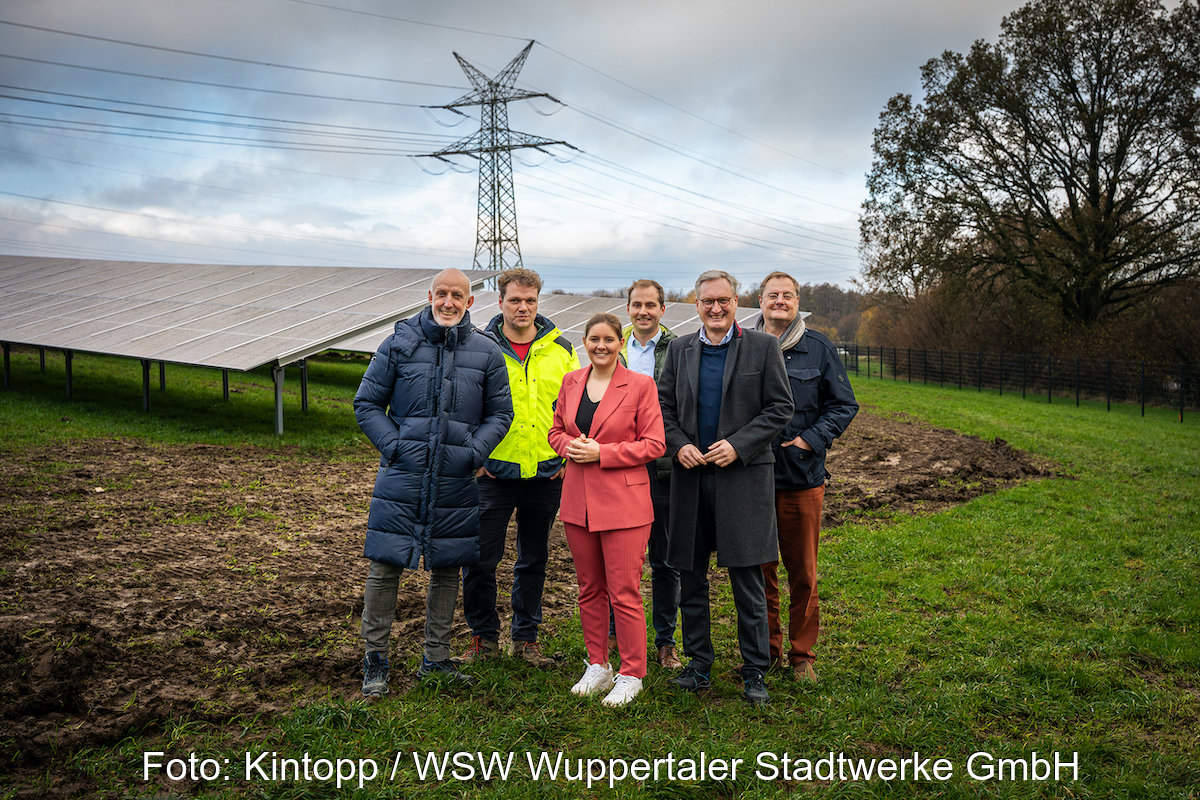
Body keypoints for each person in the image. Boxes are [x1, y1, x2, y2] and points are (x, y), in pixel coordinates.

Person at [354, 268, 513, 699]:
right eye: (441, 293)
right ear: (429, 296)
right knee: (385, 565)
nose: (449, 302)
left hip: (455, 476)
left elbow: (501, 413)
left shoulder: (486, 352)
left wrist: (474, 453)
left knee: (447, 566)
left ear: (470, 302)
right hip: (403, 474)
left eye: (457, 295)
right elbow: (367, 403)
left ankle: (436, 658)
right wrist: (395, 446)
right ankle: (376, 660)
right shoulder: (400, 343)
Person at [657, 270, 793, 706]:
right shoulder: (678, 350)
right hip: (691, 480)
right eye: (707, 302)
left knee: (747, 581)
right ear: (695, 305)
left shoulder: (763, 346)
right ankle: (698, 666)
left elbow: (780, 408)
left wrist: (738, 445)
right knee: (691, 579)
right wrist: (678, 447)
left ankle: (754, 670)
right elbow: (662, 407)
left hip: (744, 479)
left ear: (737, 302)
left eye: (724, 301)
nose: (715, 308)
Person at [458, 267, 578, 668]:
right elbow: (463, 407)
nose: (522, 307)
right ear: (500, 302)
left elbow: (575, 410)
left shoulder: (561, 349)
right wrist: (475, 458)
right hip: (493, 472)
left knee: (534, 558)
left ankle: (525, 639)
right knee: (480, 559)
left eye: (530, 300)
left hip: (546, 473)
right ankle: (483, 637)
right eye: (515, 300)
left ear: (538, 302)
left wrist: (566, 458)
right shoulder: (478, 346)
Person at [549, 312, 666, 707]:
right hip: (578, 501)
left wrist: (603, 453)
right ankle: (598, 665)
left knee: (624, 591)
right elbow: (555, 432)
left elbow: (654, 445)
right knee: (589, 589)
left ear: (620, 343)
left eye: (609, 340)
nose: (601, 346)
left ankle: (632, 672)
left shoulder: (640, 385)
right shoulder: (572, 381)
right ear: (585, 341)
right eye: (594, 339)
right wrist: (570, 448)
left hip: (624, 503)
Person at [753, 271, 858, 681]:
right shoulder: (743, 347)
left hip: (801, 478)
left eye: (788, 295)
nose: (780, 300)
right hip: (752, 480)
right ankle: (765, 651)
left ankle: (801, 656)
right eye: (772, 295)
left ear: (798, 301)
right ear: (759, 301)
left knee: (803, 573)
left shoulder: (819, 348)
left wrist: (808, 441)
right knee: (759, 573)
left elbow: (843, 405)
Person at [616, 279, 683, 670]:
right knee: (618, 561)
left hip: (662, 471)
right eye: (637, 304)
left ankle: (665, 642)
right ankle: (614, 633)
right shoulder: (611, 347)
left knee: (664, 561)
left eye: (651, 305)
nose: (643, 311)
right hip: (619, 469)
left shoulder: (679, 349)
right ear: (628, 308)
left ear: (662, 309)